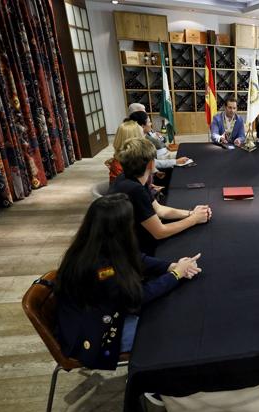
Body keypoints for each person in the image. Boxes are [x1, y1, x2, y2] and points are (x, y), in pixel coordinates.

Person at [55, 193, 202, 370]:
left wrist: (170, 266)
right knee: (170, 330)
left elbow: (135, 259)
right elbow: (137, 297)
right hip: (94, 333)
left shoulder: (93, 245)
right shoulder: (101, 270)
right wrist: (176, 275)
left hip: (99, 315)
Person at [109, 137, 211, 256]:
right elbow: (159, 232)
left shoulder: (131, 177)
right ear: (151, 163)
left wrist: (191, 213)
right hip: (133, 251)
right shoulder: (135, 189)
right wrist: (194, 220)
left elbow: (159, 210)